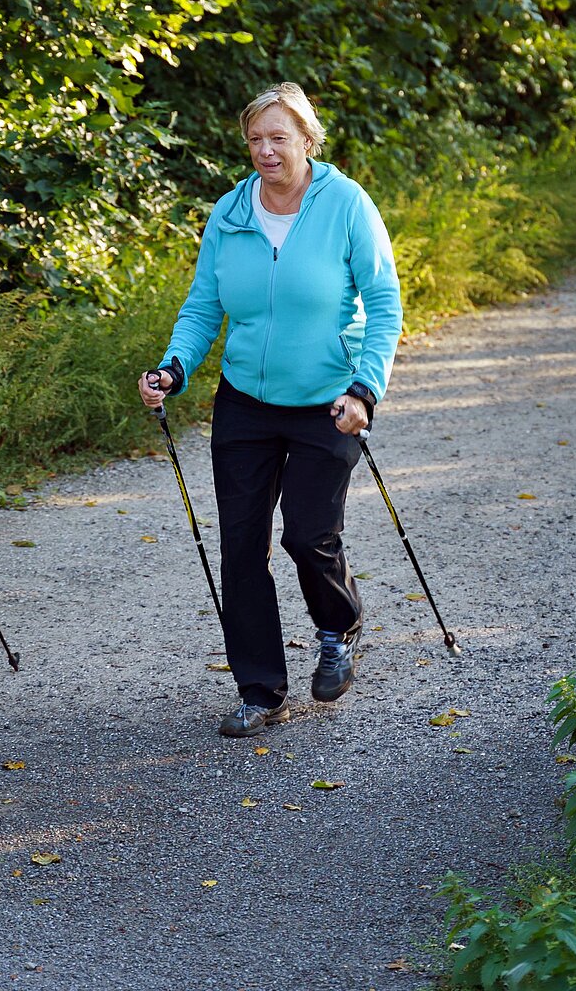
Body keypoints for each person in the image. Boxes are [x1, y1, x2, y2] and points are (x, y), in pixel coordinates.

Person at [140, 82, 403, 738]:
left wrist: (365, 390)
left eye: (278, 137)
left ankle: (338, 628)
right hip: (246, 404)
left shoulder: (345, 205)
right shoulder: (230, 213)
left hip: (329, 401)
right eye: (255, 139)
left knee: (307, 533)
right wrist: (173, 367)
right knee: (240, 549)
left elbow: (385, 303)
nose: (265, 150)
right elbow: (204, 307)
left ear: (306, 140)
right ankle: (261, 692)